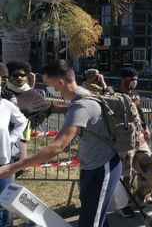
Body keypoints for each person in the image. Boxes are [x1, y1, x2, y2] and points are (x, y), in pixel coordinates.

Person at [0, 60, 121, 227]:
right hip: (91, 168)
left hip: (102, 168)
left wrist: (11, 168)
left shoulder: (81, 106)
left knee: (89, 222)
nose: (49, 89)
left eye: (49, 84)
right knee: (96, 219)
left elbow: (57, 147)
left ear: (60, 82)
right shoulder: (81, 96)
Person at [1, 60, 66, 161]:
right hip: (3, 133)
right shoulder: (4, 92)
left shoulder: (32, 93)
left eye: (22, 75)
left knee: (19, 164)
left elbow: (47, 107)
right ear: (9, 76)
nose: (19, 78)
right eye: (16, 75)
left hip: (19, 135)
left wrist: (70, 108)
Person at [115, 67, 152, 217]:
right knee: (126, 172)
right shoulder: (115, 96)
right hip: (124, 140)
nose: (134, 83)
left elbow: (139, 114)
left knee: (147, 166)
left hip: (138, 139)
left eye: (136, 80)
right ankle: (123, 203)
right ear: (123, 80)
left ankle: (142, 198)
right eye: (131, 80)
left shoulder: (134, 96)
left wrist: (145, 128)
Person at [0, 67, 27, 226]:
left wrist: (11, 139)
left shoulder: (7, 106)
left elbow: (22, 122)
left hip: (3, 164)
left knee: (2, 207)